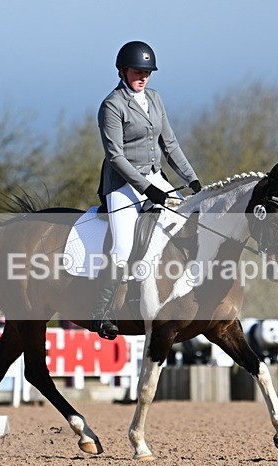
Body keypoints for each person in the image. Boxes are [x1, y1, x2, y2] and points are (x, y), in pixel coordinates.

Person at [91, 40, 202, 340]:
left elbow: (170, 145)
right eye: (138, 71)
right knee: (122, 247)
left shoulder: (154, 98)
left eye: (148, 72)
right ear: (122, 70)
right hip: (122, 184)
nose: (143, 77)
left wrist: (192, 180)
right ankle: (102, 313)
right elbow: (115, 157)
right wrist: (146, 189)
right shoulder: (111, 106)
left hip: (155, 178)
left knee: (187, 226)